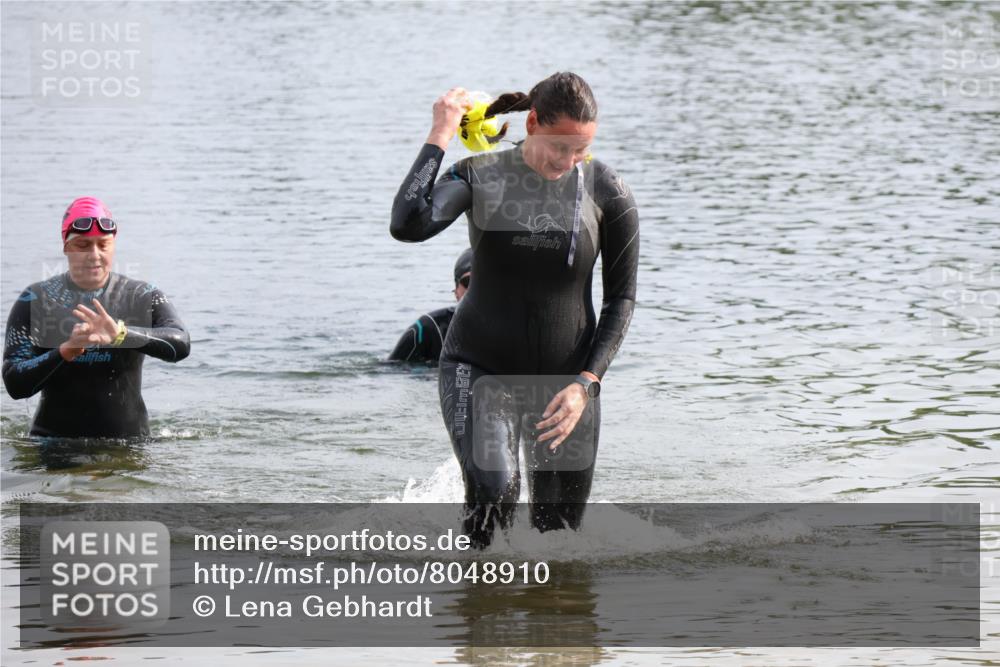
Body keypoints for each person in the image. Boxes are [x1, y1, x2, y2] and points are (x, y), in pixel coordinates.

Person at [390, 73, 639, 547]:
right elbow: (408, 224)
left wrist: (586, 384)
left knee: (560, 537)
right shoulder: (482, 175)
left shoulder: (609, 192)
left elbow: (621, 299)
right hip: (481, 370)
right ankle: (477, 612)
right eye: (559, 147)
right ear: (532, 123)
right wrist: (441, 133)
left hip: (567, 385)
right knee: (495, 494)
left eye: (580, 150)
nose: (568, 162)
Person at [2, 196, 191, 439]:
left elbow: (181, 344)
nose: (94, 255)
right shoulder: (35, 300)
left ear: (113, 245)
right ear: (66, 247)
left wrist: (121, 334)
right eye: (82, 245)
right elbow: (15, 383)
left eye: (103, 245)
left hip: (128, 448)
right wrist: (64, 352)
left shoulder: (142, 295)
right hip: (54, 447)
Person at [388, 248, 472, 364]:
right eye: (469, 282)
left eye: (486, 282)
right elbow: (389, 372)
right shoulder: (430, 329)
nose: (476, 290)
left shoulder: (505, 331)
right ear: (456, 290)